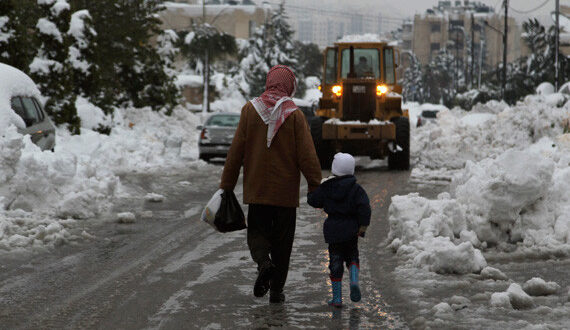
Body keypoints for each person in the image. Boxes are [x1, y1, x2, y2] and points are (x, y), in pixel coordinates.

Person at [220, 65, 322, 304]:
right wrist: (315, 184)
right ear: (289, 85)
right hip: (285, 194)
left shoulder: (249, 110)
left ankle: (263, 263)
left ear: (269, 82)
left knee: (257, 233)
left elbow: (235, 152)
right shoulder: (294, 114)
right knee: (283, 243)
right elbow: (307, 155)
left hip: (257, 191)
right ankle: (276, 291)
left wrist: (227, 183)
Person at [307, 152, 371, 307]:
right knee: (352, 256)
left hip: (333, 231)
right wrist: (362, 227)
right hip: (351, 230)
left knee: (335, 262)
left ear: (334, 169)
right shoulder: (356, 189)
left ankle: (337, 298)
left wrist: (311, 192)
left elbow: (314, 201)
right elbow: (365, 208)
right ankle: (354, 280)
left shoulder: (327, 187)